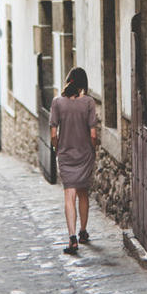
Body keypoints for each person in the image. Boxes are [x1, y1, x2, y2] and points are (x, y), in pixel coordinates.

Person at [49, 67, 98, 255]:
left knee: (69, 195)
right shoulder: (89, 103)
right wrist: (92, 150)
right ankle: (83, 231)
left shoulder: (57, 102)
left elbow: (54, 133)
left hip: (66, 154)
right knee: (83, 192)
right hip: (84, 153)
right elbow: (93, 134)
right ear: (83, 84)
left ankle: (72, 238)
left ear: (68, 80)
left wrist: (57, 148)